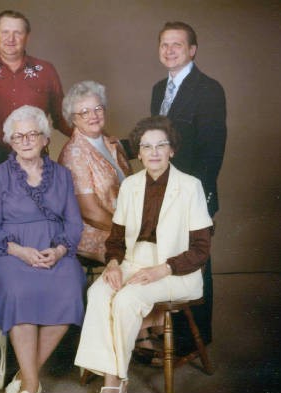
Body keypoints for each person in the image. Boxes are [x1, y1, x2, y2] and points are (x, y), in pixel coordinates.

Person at [74, 116, 213, 393]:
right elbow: (116, 238)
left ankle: (113, 382)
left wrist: (163, 269)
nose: (154, 152)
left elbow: (201, 250)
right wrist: (113, 264)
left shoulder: (190, 186)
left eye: (161, 145)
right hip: (132, 261)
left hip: (175, 270)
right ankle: (116, 375)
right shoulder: (130, 186)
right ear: (138, 153)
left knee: (127, 299)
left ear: (171, 150)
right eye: (146, 147)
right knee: (98, 293)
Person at [0, 105, 86, 393]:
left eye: (32, 135)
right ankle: (30, 385)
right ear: (10, 142)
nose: (25, 141)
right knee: (19, 290)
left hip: (53, 249)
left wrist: (61, 251)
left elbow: (74, 224)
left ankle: (26, 377)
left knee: (71, 288)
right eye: (18, 137)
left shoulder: (62, 175)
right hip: (8, 252)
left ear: (45, 139)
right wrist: (21, 252)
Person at [150, 21, 227, 355]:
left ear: (192, 50)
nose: (169, 50)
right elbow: (155, 142)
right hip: (164, 192)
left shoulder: (208, 89)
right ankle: (173, 333)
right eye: (164, 44)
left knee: (195, 260)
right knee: (170, 258)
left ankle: (195, 338)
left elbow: (213, 151)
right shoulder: (158, 89)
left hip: (194, 192)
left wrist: (201, 201)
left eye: (177, 45)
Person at [0, 10, 72, 162]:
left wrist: (95, 137)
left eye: (18, 33)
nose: (11, 39)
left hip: (35, 161)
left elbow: (62, 117)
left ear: (27, 37)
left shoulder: (45, 71)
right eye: (5, 32)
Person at [58, 80, 131, 263]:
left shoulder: (109, 141)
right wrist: (130, 232)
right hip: (97, 232)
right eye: (84, 112)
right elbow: (90, 212)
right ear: (72, 119)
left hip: (125, 224)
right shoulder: (74, 154)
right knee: (142, 257)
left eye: (97, 108)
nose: (93, 116)